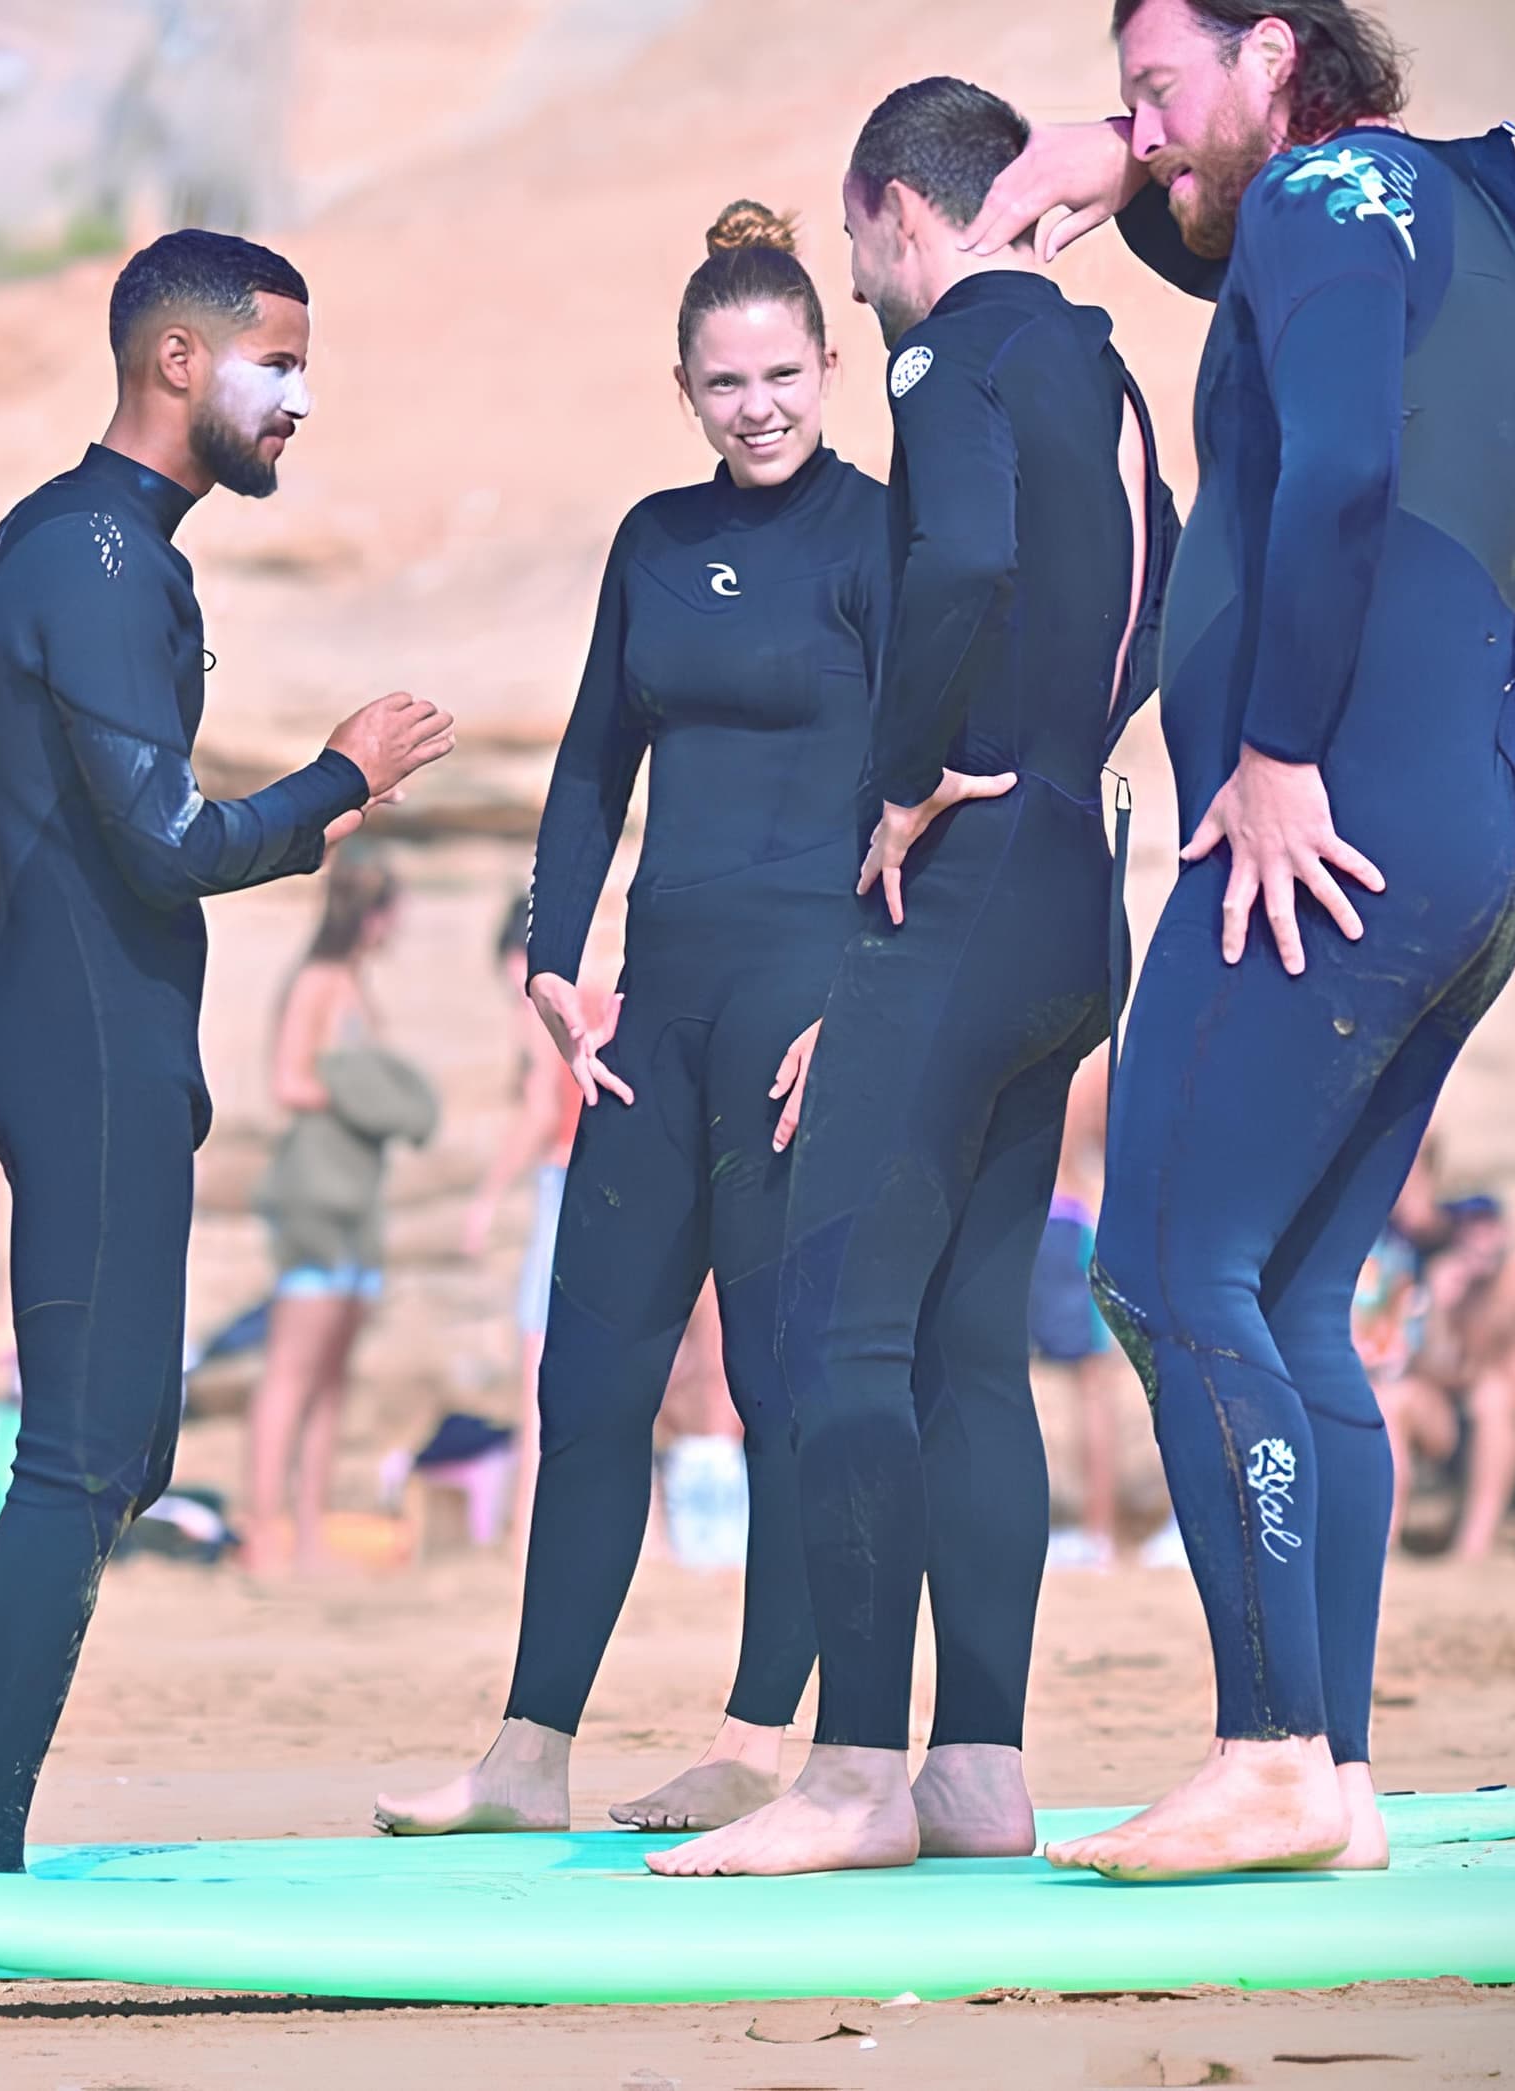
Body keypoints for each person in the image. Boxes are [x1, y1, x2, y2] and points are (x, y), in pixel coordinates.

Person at [958, 0, 1515, 1881]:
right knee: (1292, 1304)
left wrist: (1285, 750)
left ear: (1276, 55)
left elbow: (1342, 476)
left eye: (1160, 83)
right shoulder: (1422, 207)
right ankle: (1341, 1776)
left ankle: (1273, 1748)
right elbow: (1213, 231)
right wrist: (1108, 145)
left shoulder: (1315, 192)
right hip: (1461, 842)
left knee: (1155, 1267)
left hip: (1329, 829)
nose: (1142, 131)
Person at [650, 82, 1171, 1880]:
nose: (861, 280)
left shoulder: (952, 359)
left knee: (835, 1327)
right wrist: (1061, 736)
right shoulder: (1098, 361)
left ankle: (858, 1769)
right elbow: (1158, 580)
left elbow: (958, 557)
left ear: (888, 213)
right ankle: (977, 1769)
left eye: (857, 243)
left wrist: (909, 770)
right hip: (1072, 906)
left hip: (953, 899)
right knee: (969, 1350)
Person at [0, 229, 456, 1873]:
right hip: (80, 1047)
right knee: (82, 1454)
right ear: (182, 364)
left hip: (103, 1040)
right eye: (281, 365)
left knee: (122, 1444)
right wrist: (338, 784)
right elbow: (161, 842)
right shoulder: (97, 557)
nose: (301, 403)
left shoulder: (105, 548)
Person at [373, 199, 888, 1844]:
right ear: (683, 384)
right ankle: (529, 1753)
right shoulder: (654, 541)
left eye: (784, 372)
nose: (759, 405)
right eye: (726, 380)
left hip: (803, 1011)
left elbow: (922, 793)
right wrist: (548, 952)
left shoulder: (881, 540)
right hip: (650, 1014)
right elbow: (596, 759)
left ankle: (756, 1738)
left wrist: (865, 1002)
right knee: (589, 1376)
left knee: (778, 1388)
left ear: (831, 362)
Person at [246, 845, 428, 1575]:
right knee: (291, 1366)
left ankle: (310, 1532)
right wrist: (366, 1100)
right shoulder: (319, 981)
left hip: (359, 1195)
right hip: (316, 1191)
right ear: (372, 913)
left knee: (333, 1374)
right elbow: (287, 1081)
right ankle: (262, 1532)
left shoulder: (356, 986)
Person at [460, 891, 586, 1552]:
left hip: (561, 1181)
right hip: (600, 1185)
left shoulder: (538, 1002)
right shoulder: (593, 994)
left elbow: (540, 1110)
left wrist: (485, 1197)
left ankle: (524, 1532)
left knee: (537, 1359)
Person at [1381, 1195, 1515, 1561]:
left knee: (1493, 1396)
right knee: (1396, 1398)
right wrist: (1437, 1312)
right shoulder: (1452, 1287)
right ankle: (1384, 1541)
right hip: (1470, 1423)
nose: (1477, 1239)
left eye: (1486, 1227)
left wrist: (1464, 1374)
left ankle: (1472, 1550)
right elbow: (1429, 1373)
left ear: (1507, 1231)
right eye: (1466, 1230)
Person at [1035, 1051, 1159, 1571]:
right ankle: (1095, 1530)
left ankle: (1097, 1530)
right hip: (1061, 1215)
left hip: (1056, 1216)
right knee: (1091, 1386)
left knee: (1093, 1385)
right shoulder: (1087, 1064)